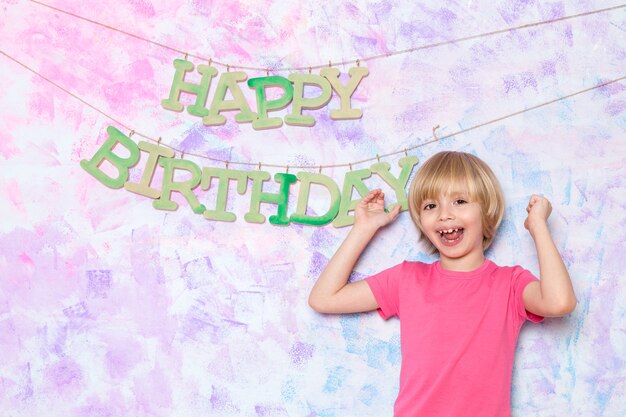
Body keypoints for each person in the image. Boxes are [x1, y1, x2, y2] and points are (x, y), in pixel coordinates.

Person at [308, 151, 576, 417]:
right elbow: (324, 298)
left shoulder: (509, 284)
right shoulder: (406, 279)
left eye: (459, 201)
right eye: (430, 206)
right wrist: (364, 228)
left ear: (486, 212)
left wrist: (538, 226)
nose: (444, 215)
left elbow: (559, 302)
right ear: (421, 221)